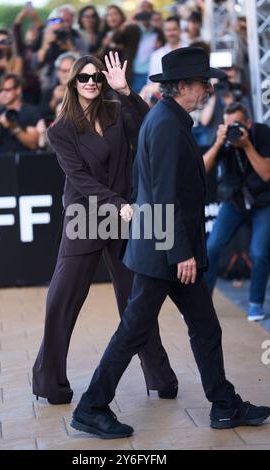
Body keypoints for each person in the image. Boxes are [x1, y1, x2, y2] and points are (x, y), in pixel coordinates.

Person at [71, 47, 270, 439]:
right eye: (202, 82)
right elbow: (162, 195)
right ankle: (92, 407)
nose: (209, 88)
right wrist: (181, 253)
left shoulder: (170, 118)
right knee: (132, 331)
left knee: (206, 329)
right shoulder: (165, 124)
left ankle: (224, 405)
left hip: (170, 250)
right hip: (164, 253)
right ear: (182, 87)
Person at [32, 52, 178, 405]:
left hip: (122, 214)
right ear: (72, 84)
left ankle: (159, 375)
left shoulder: (116, 112)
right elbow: (79, 179)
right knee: (63, 299)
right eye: (84, 78)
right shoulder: (61, 129)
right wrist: (119, 205)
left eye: (96, 76)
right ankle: (50, 382)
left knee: (135, 299)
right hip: (86, 215)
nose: (92, 82)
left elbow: (150, 125)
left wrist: (126, 91)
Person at [203, 102, 270, 321]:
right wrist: (220, 142)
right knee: (212, 247)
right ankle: (202, 302)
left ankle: (255, 303)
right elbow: (202, 169)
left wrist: (247, 145)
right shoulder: (223, 137)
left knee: (259, 252)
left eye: (237, 124)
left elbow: (266, 174)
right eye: (228, 124)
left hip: (263, 201)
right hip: (235, 201)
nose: (232, 129)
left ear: (248, 123)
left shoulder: (261, 134)